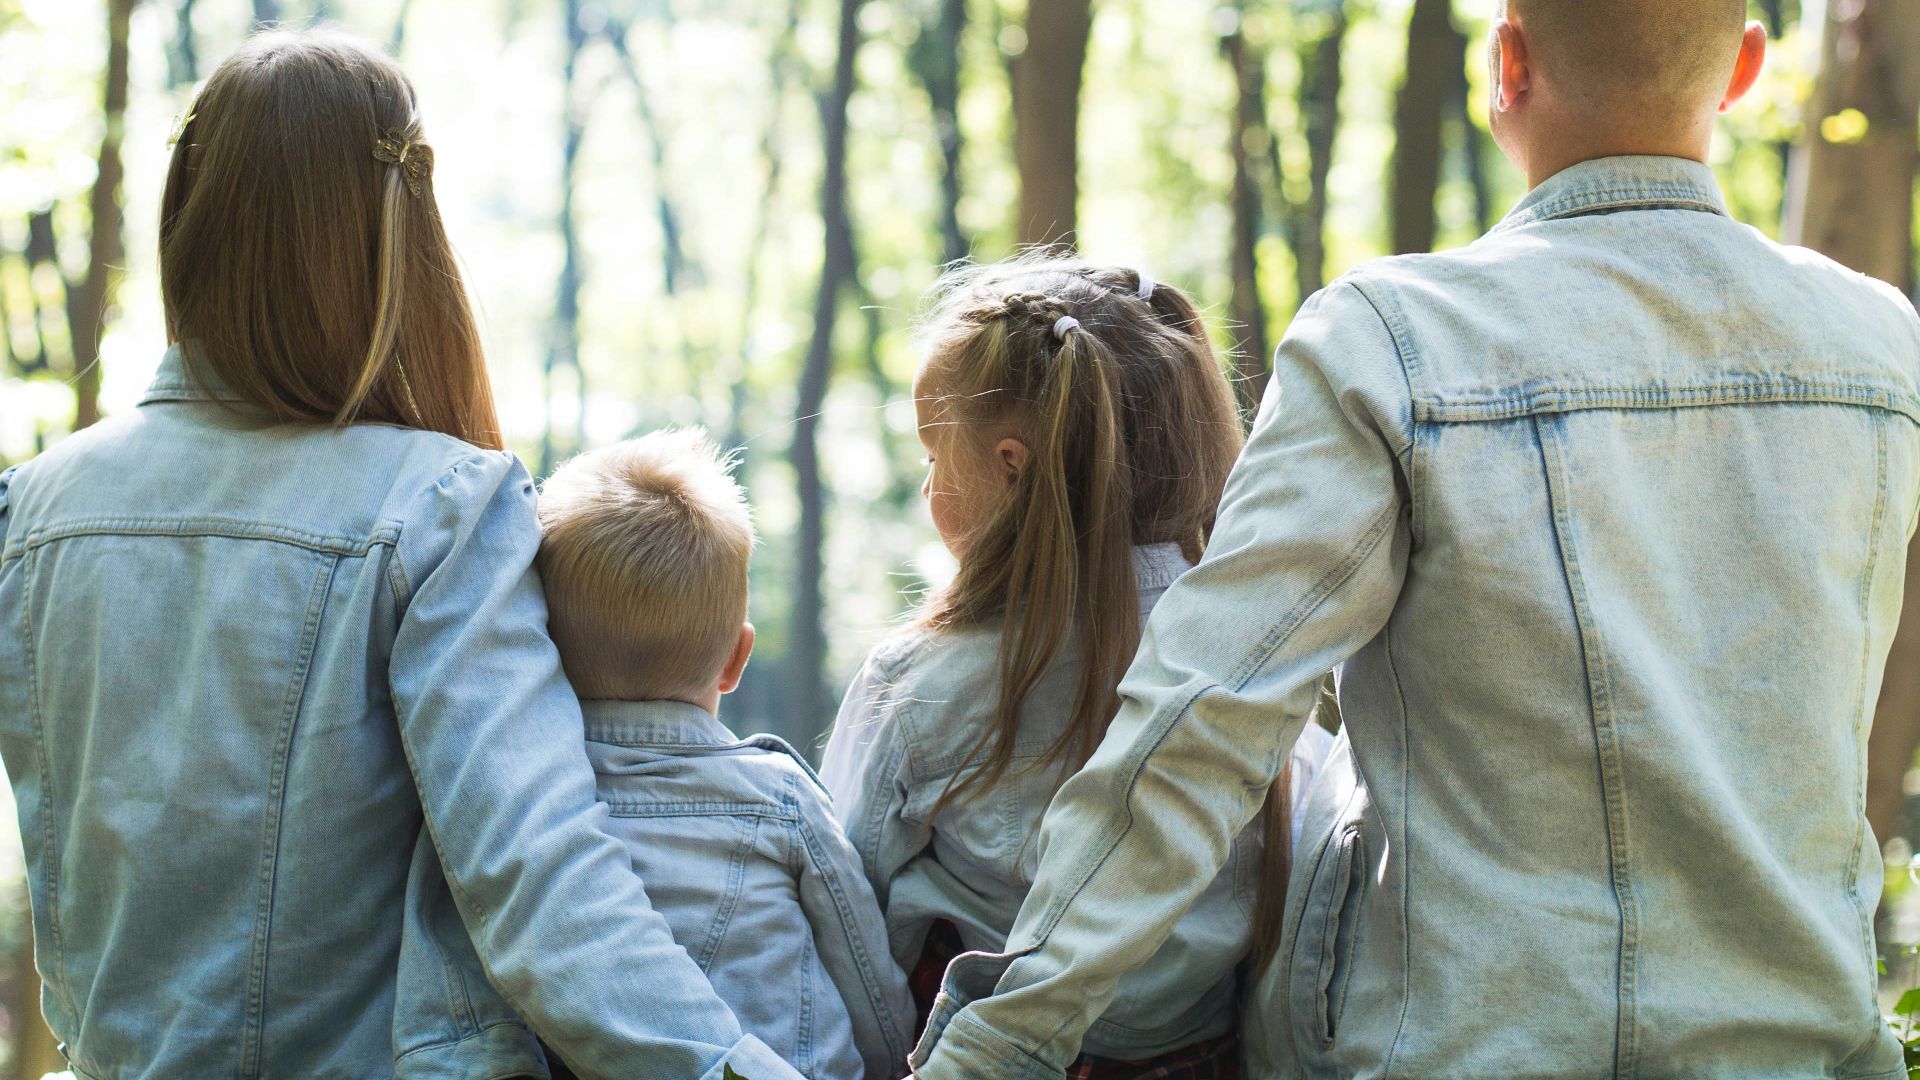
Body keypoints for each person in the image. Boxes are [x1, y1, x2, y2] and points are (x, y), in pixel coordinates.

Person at [906, 3, 1920, 1078]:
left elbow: (1203, 722)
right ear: (1746, 71)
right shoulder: (1881, 349)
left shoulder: (1394, 344)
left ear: (1507, 60)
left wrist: (1005, 1039)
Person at [0, 31, 799, 1080]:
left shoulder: (34, 508)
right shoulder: (439, 507)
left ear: (185, 219)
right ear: (398, 230)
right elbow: (540, 885)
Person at [821, 259, 1336, 1079]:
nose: (925, 485)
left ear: (1011, 464)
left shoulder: (921, 683)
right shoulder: (1259, 667)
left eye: (932, 456)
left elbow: (845, 903)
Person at [401, 429, 916, 1080]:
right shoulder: (778, 798)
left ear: (539, 650)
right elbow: (869, 985)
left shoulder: (514, 804)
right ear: (736, 658)